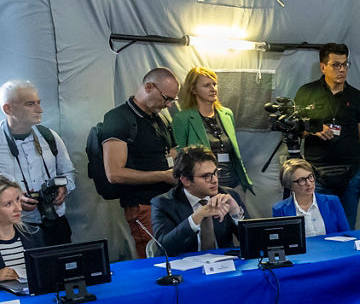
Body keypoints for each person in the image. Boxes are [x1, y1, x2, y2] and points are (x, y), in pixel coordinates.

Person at [0, 80, 75, 246]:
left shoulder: (50, 137)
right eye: (30, 104)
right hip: (8, 231)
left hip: (54, 225)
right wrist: (11, 199)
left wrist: (64, 188)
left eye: (38, 103)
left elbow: (68, 172)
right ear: (8, 109)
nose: (39, 109)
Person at [101, 67, 179, 258]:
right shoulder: (118, 118)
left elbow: (173, 154)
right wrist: (163, 176)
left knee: (174, 256)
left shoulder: (160, 119)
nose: (168, 105)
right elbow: (114, 174)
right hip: (143, 205)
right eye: (166, 98)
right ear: (149, 87)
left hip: (168, 202)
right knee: (156, 259)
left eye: (172, 100)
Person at [292, 43, 360, 225]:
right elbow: (296, 130)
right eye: (336, 65)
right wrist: (314, 131)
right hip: (317, 171)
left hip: (351, 172)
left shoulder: (357, 97)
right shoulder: (307, 92)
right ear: (323, 67)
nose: (342, 70)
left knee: (347, 225)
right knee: (321, 224)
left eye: (345, 64)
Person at [171, 67, 254, 196]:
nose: (213, 89)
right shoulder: (182, 118)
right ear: (193, 90)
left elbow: (234, 151)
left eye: (214, 84)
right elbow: (180, 159)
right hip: (203, 187)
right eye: (206, 85)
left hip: (233, 183)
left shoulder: (227, 114)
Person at [150, 146, 246, 255]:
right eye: (206, 176)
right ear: (186, 180)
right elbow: (164, 248)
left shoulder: (228, 196)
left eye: (215, 173)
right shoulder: (163, 203)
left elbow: (255, 242)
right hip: (185, 264)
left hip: (225, 263)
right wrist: (195, 218)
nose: (214, 180)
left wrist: (236, 213)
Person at [272, 159, 350, 236]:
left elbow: (346, 235)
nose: (309, 183)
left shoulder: (332, 201)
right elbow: (282, 240)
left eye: (310, 177)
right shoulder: (280, 209)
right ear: (290, 185)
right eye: (301, 180)